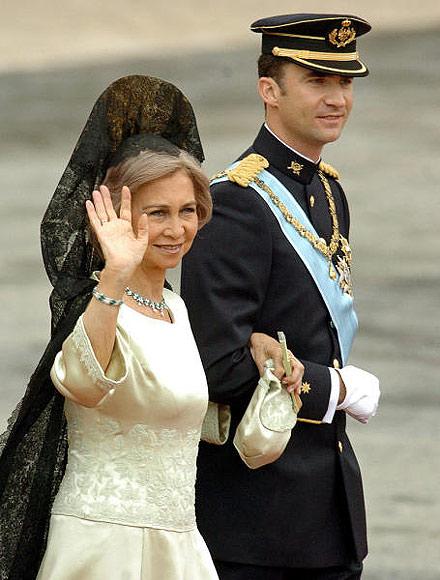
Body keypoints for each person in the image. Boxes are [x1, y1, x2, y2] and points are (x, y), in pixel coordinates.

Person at [181, 13, 381, 580]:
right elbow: (219, 364)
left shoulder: (327, 188)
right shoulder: (237, 203)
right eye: (317, 81)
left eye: (344, 83)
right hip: (258, 520)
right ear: (269, 90)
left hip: (328, 509)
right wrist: (332, 388)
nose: (337, 98)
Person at [0, 75, 220, 580]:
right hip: (104, 545)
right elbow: (81, 382)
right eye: (156, 213)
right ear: (114, 217)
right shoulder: (96, 301)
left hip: (179, 543)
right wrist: (116, 275)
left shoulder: (174, 308)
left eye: (187, 211)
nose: (175, 229)